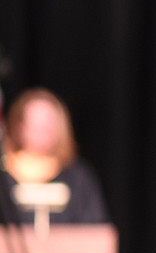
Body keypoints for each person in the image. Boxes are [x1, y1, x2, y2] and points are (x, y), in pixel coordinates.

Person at [0, 86, 110, 226]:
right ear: (19, 127)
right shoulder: (4, 176)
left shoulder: (77, 177)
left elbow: (95, 229)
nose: (42, 132)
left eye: (48, 125)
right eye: (35, 125)